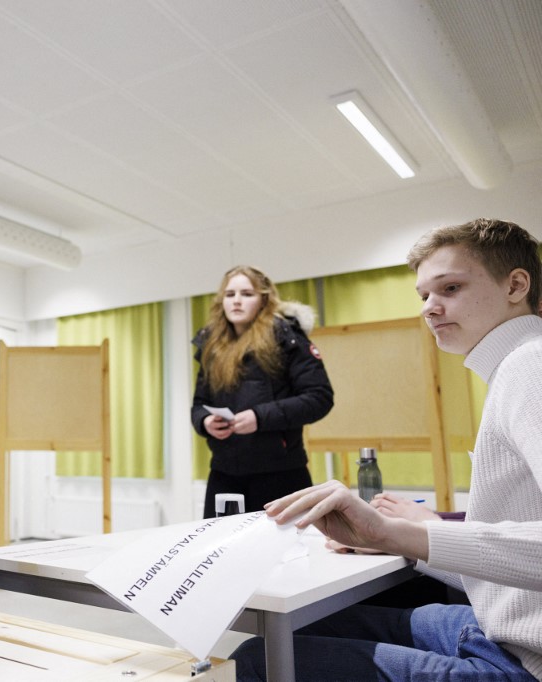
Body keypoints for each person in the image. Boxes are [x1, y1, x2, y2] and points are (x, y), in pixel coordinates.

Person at [232, 218, 542, 680]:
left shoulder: (529, 364)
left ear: (516, 284)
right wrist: (417, 539)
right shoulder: (513, 367)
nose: (429, 309)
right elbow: (505, 584)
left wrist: (395, 536)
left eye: (450, 288)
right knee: (297, 627)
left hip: (522, 661)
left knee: (259, 658)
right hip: (499, 628)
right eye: (423, 297)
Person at [191, 265, 334, 518]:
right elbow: (199, 403)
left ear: (264, 300)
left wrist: (259, 417)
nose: (236, 301)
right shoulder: (211, 345)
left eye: (247, 294)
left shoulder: (287, 337)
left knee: (284, 555)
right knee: (219, 554)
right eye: (229, 294)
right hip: (224, 475)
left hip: (281, 475)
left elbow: (319, 398)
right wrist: (205, 420)